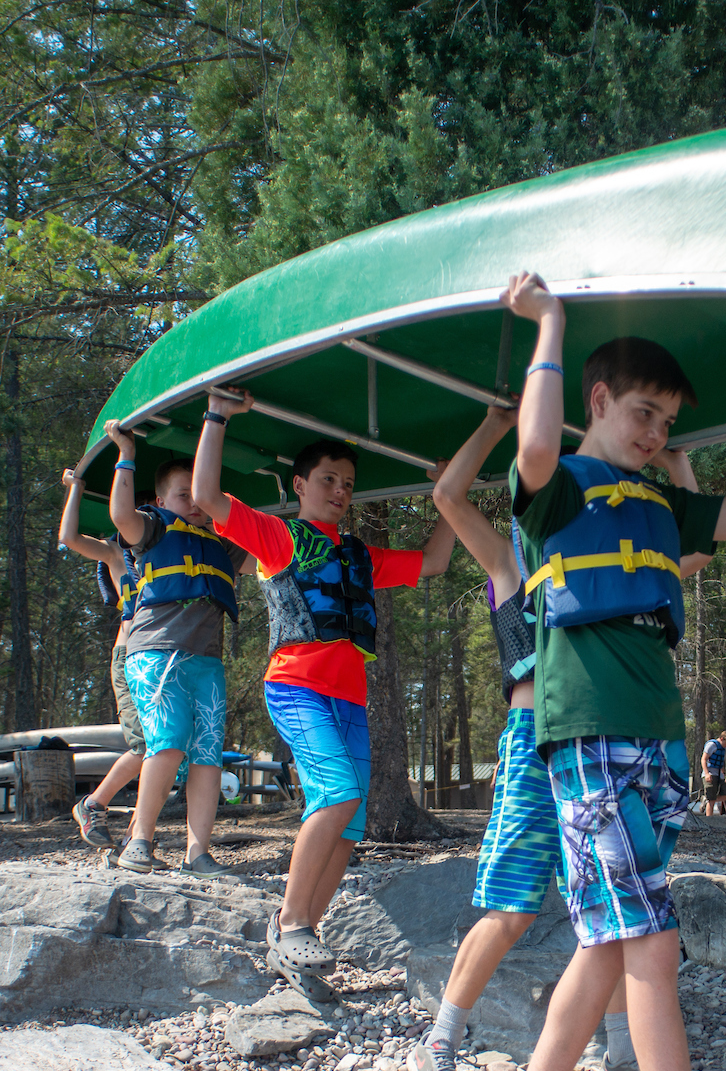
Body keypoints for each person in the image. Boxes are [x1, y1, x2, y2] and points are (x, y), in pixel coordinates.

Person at [482, 273, 726, 1071]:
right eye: (640, 413)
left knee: (610, 942)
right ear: (597, 404)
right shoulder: (557, 491)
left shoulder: (666, 504)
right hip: (585, 734)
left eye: (667, 420)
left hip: (656, 739)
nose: (656, 432)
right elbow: (533, 448)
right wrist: (551, 324)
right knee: (652, 946)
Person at [410, 403, 703, 1071]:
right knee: (511, 906)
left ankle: (619, 1050)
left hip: (604, 735)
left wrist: (677, 467)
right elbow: (449, 497)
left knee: (608, 906)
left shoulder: (610, 556)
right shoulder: (513, 560)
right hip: (535, 739)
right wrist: (489, 422)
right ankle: (440, 1040)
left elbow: (688, 551)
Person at [192, 392, 456, 978]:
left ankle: (302, 931)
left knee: (350, 821)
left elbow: (434, 560)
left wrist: (448, 495)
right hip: (295, 687)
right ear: (301, 483)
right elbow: (209, 499)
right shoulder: (279, 537)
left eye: (348, 482)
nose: (341, 490)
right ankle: (290, 924)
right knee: (335, 793)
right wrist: (217, 416)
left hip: (349, 699)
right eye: (329, 478)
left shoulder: (359, 554)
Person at [78, 421, 250, 873]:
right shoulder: (151, 530)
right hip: (156, 654)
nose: (194, 502)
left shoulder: (223, 547)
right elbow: (119, 516)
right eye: (183, 494)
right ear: (159, 502)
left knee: (208, 753)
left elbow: (271, 554)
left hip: (206, 661)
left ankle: (198, 852)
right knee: (168, 744)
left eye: (200, 493)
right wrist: (126, 454)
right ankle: (140, 841)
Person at [69, 539, 148, 852]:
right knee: (146, 745)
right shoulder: (119, 555)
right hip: (131, 655)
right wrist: (76, 488)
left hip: (166, 656)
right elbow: (71, 539)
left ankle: (136, 839)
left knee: (168, 750)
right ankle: (92, 804)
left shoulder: (177, 546)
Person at [700, 733, 726, 816]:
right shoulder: (711, 745)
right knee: (711, 800)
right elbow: (703, 759)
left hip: (719, 774)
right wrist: (707, 774)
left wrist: (723, 771)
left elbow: (719, 761)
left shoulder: (722, 748)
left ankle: (705, 799)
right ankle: (709, 820)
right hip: (710, 774)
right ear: (722, 739)